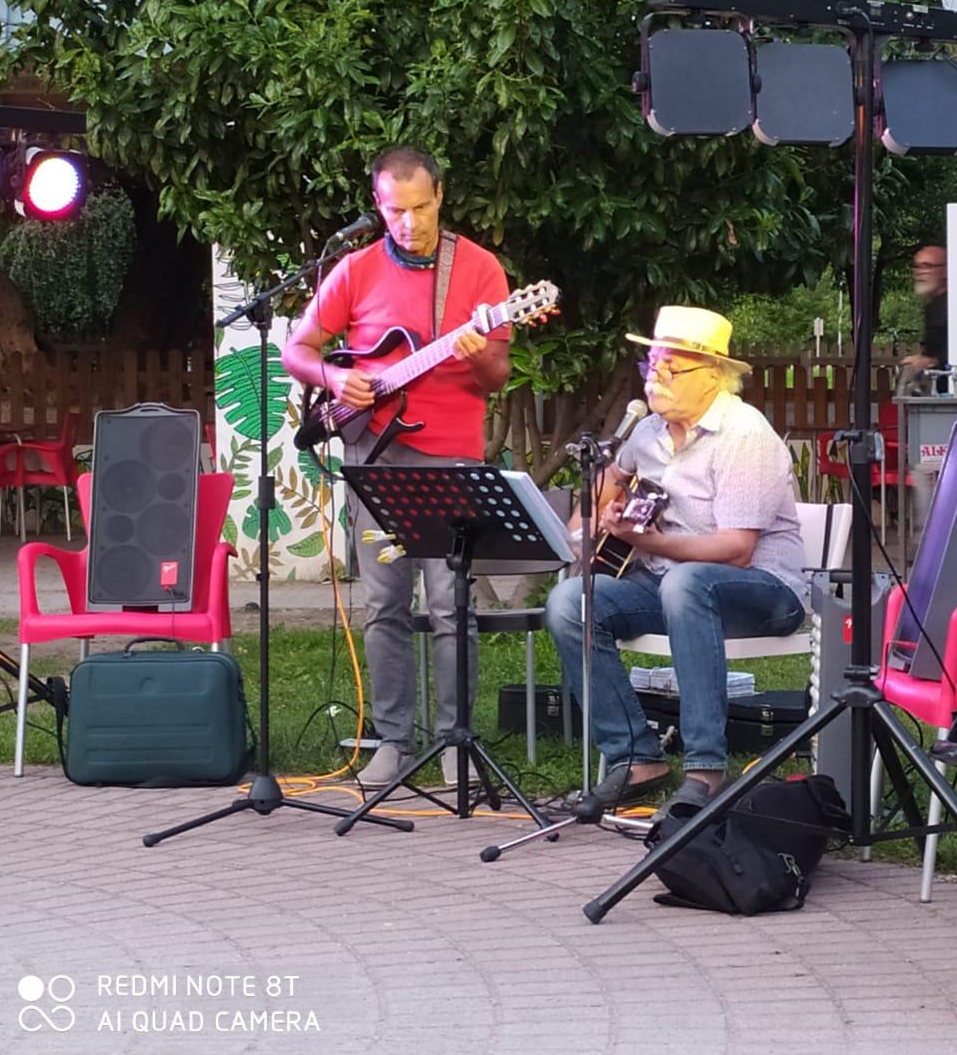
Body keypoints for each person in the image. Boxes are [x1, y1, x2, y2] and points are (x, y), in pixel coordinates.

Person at [281, 146, 512, 789]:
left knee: (448, 604)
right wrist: (336, 377)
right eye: (394, 210)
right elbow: (298, 349)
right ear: (378, 206)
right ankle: (391, 740)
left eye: (420, 207)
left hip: (450, 457)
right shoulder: (355, 269)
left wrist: (473, 352)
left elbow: (497, 376)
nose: (409, 223)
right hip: (374, 453)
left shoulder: (480, 270)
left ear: (440, 196)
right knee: (383, 601)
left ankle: (454, 742)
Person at [545, 305, 806, 818]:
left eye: (671, 367)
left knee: (685, 584)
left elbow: (737, 549)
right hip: (671, 585)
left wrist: (651, 543)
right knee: (571, 601)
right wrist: (594, 523)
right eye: (652, 365)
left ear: (713, 375)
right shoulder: (648, 432)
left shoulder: (743, 434)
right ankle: (637, 757)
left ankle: (707, 768)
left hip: (763, 589)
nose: (655, 377)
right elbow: (611, 479)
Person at [899, 245, 948, 393]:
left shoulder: (954, 307)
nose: (920, 272)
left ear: (945, 270)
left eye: (927, 266)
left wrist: (929, 362)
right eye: (917, 266)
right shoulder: (932, 306)